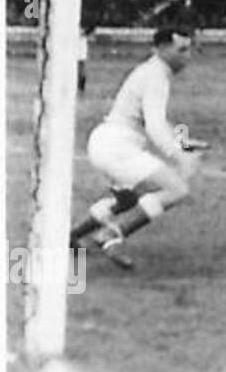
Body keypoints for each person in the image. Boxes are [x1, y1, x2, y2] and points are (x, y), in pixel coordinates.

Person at [69, 28, 208, 269]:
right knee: (177, 190)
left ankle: (71, 237)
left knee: (125, 200)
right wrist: (179, 156)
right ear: (161, 49)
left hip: (104, 141)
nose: (187, 57)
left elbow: (155, 121)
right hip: (117, 146)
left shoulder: (151, 71)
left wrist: (183, 141)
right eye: (181, 50)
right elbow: (154, 125)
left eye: (189, 50)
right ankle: (112, 235)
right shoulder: (157, 76)